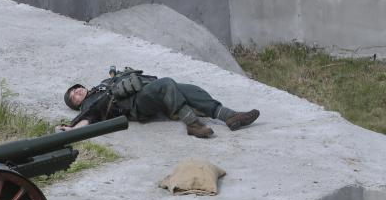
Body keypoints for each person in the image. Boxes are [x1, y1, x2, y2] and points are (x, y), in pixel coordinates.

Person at [61, 68, 260, 138]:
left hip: (148, 91)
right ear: (77, 105)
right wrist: (72, 129)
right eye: (74, 97)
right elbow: (87, 119)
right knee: (166, 84)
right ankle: (192, 124)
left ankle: (230, 116)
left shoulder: (103, 85)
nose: (77, 92)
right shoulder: (90, 104)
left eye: (76, 89)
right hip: (137, 105)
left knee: (191, 90)